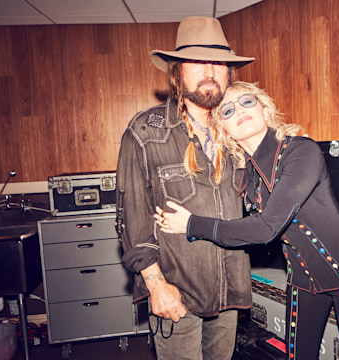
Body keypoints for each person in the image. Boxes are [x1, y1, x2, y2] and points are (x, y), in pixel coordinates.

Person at [156, 81, 339, 360]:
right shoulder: (244, 173)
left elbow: (265, 228)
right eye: (227, 110)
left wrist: (192, 225)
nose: (239, 110)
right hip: (303, 276)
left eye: (247, 102)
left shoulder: (301, 151)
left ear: (265, 109)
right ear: (223, 128)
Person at [115, 17, 255, 360]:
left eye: (218, 62)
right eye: (197, 61)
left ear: (229, 73)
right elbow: (131, 220)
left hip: (229, 293)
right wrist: (156, 285)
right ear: (177, 73)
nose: (209, 70)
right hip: (177, 294)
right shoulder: (146, 133)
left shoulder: (237, 131)